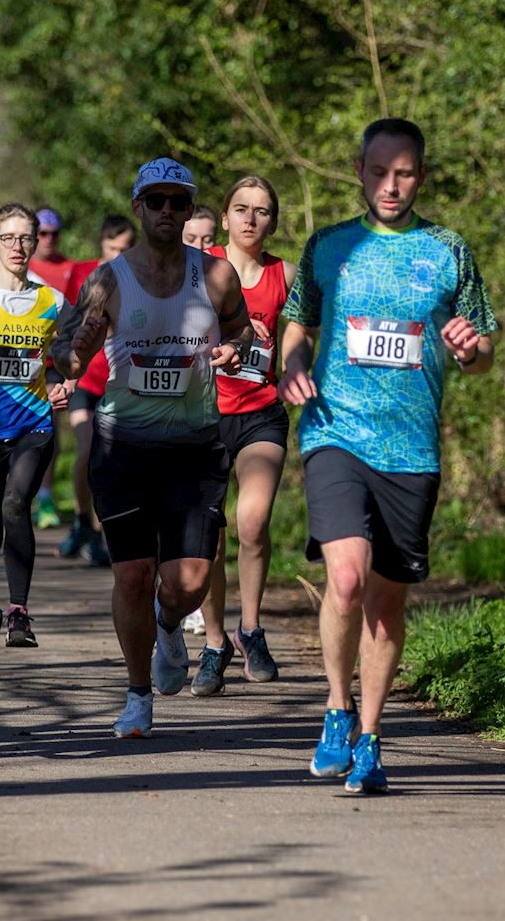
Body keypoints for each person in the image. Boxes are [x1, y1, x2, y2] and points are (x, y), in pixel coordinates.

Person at [279, 118, 498, 794]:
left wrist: (469, 346)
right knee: (345, 578)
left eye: (404, 173)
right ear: (359, 170)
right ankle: (337, 712)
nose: (390, 185)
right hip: (334, 431)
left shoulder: (449, 250)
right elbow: (298, 322)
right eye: (378, 172)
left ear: (421, 176)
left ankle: (372, 736)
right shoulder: (329, 246)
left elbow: (482, 352)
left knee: (385, 603)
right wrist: (291, 363)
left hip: (412, 447)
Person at [50, 157, 253, 739]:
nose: (168, 210)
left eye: (179, 202)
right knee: (133, 573)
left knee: (187, 582)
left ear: (191, 208)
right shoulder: (109, 279)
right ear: (138, 207)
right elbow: (73, 344)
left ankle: (169, 625)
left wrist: (235, 348)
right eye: (156, 201)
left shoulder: (215, 276)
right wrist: (64, 362)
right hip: (124, 445)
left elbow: (239, 328)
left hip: (194, 445)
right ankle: (138, 694)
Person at [0, 204, 72, 675]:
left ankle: (19, 612)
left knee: (16, 504)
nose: (20, 247)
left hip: (34, 426)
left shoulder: (53, 301)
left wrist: (65, 382)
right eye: (11, 238)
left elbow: (70, 356)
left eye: (28, 238)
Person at [191, 176, 296, 696]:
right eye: (241, 209)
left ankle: (249, 628)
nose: (251, 219)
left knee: (251, 521)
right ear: (225, 218)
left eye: (262, 211)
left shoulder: (285, 274)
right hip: (204, 416)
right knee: (208, 534)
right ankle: (214, 643)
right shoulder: (200, 269)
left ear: (273, 222)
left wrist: (297, 370)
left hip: (260, 413)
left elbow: (299, 340)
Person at [56, 214, 134, 568]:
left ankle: (103, 535)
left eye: (125, 248)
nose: (118, 254)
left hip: (119, 382)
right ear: (103, 243)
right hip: (85, 381)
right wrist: (69, 371)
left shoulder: (138, 277)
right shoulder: (83, 272)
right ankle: (81, 520)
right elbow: (69, 325)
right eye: (113, 247)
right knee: (87, 450)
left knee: (110, 457)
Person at [26, 207, 77, 529]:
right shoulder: (21, 266)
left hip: (52, 363)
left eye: (53, 233)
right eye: (41, 233)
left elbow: (74, 318)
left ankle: (45, 498)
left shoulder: (71, 268)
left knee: (47, 432)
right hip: (20, 363)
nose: (47, 239)